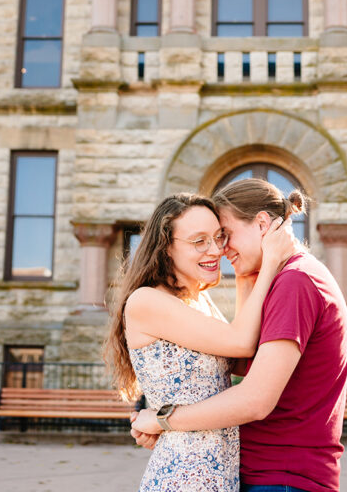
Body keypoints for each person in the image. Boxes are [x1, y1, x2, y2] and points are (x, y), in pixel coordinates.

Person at [131, 179, 347, 492]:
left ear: (262, 223)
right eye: (204, 240)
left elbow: (255, 400)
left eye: (225, 235)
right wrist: (247, 277)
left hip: (282, 478)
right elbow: (241, 356)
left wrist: (163, 419)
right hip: (263, 474)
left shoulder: (296, 283)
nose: (221, 249)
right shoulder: (289, 279)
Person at [105, 191, 295, 492]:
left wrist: (245, 274)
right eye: (199, 241)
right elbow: (242, 341)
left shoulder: (200, 300)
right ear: (166, 247)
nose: (216, 250)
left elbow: (239, 355)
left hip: (220, 474)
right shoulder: (147, 300)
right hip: (183, 477)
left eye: (219, 237)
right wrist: (270, 262)